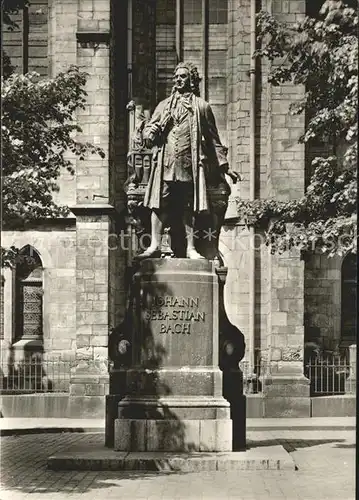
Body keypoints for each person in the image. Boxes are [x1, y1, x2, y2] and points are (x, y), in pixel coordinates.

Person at [137, 62, 239, 259]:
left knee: (188, 205)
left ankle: (191, 248)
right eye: (176, 76)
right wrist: (152, 132)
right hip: (166, 164)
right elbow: (149, 132)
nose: (178, 80)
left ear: (191, 81)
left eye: (183, 76)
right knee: (159, 204)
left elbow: (213, 140)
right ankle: (155, 246)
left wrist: (225, 167)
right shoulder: (164, 105)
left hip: (189, 164)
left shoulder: (201, 107)